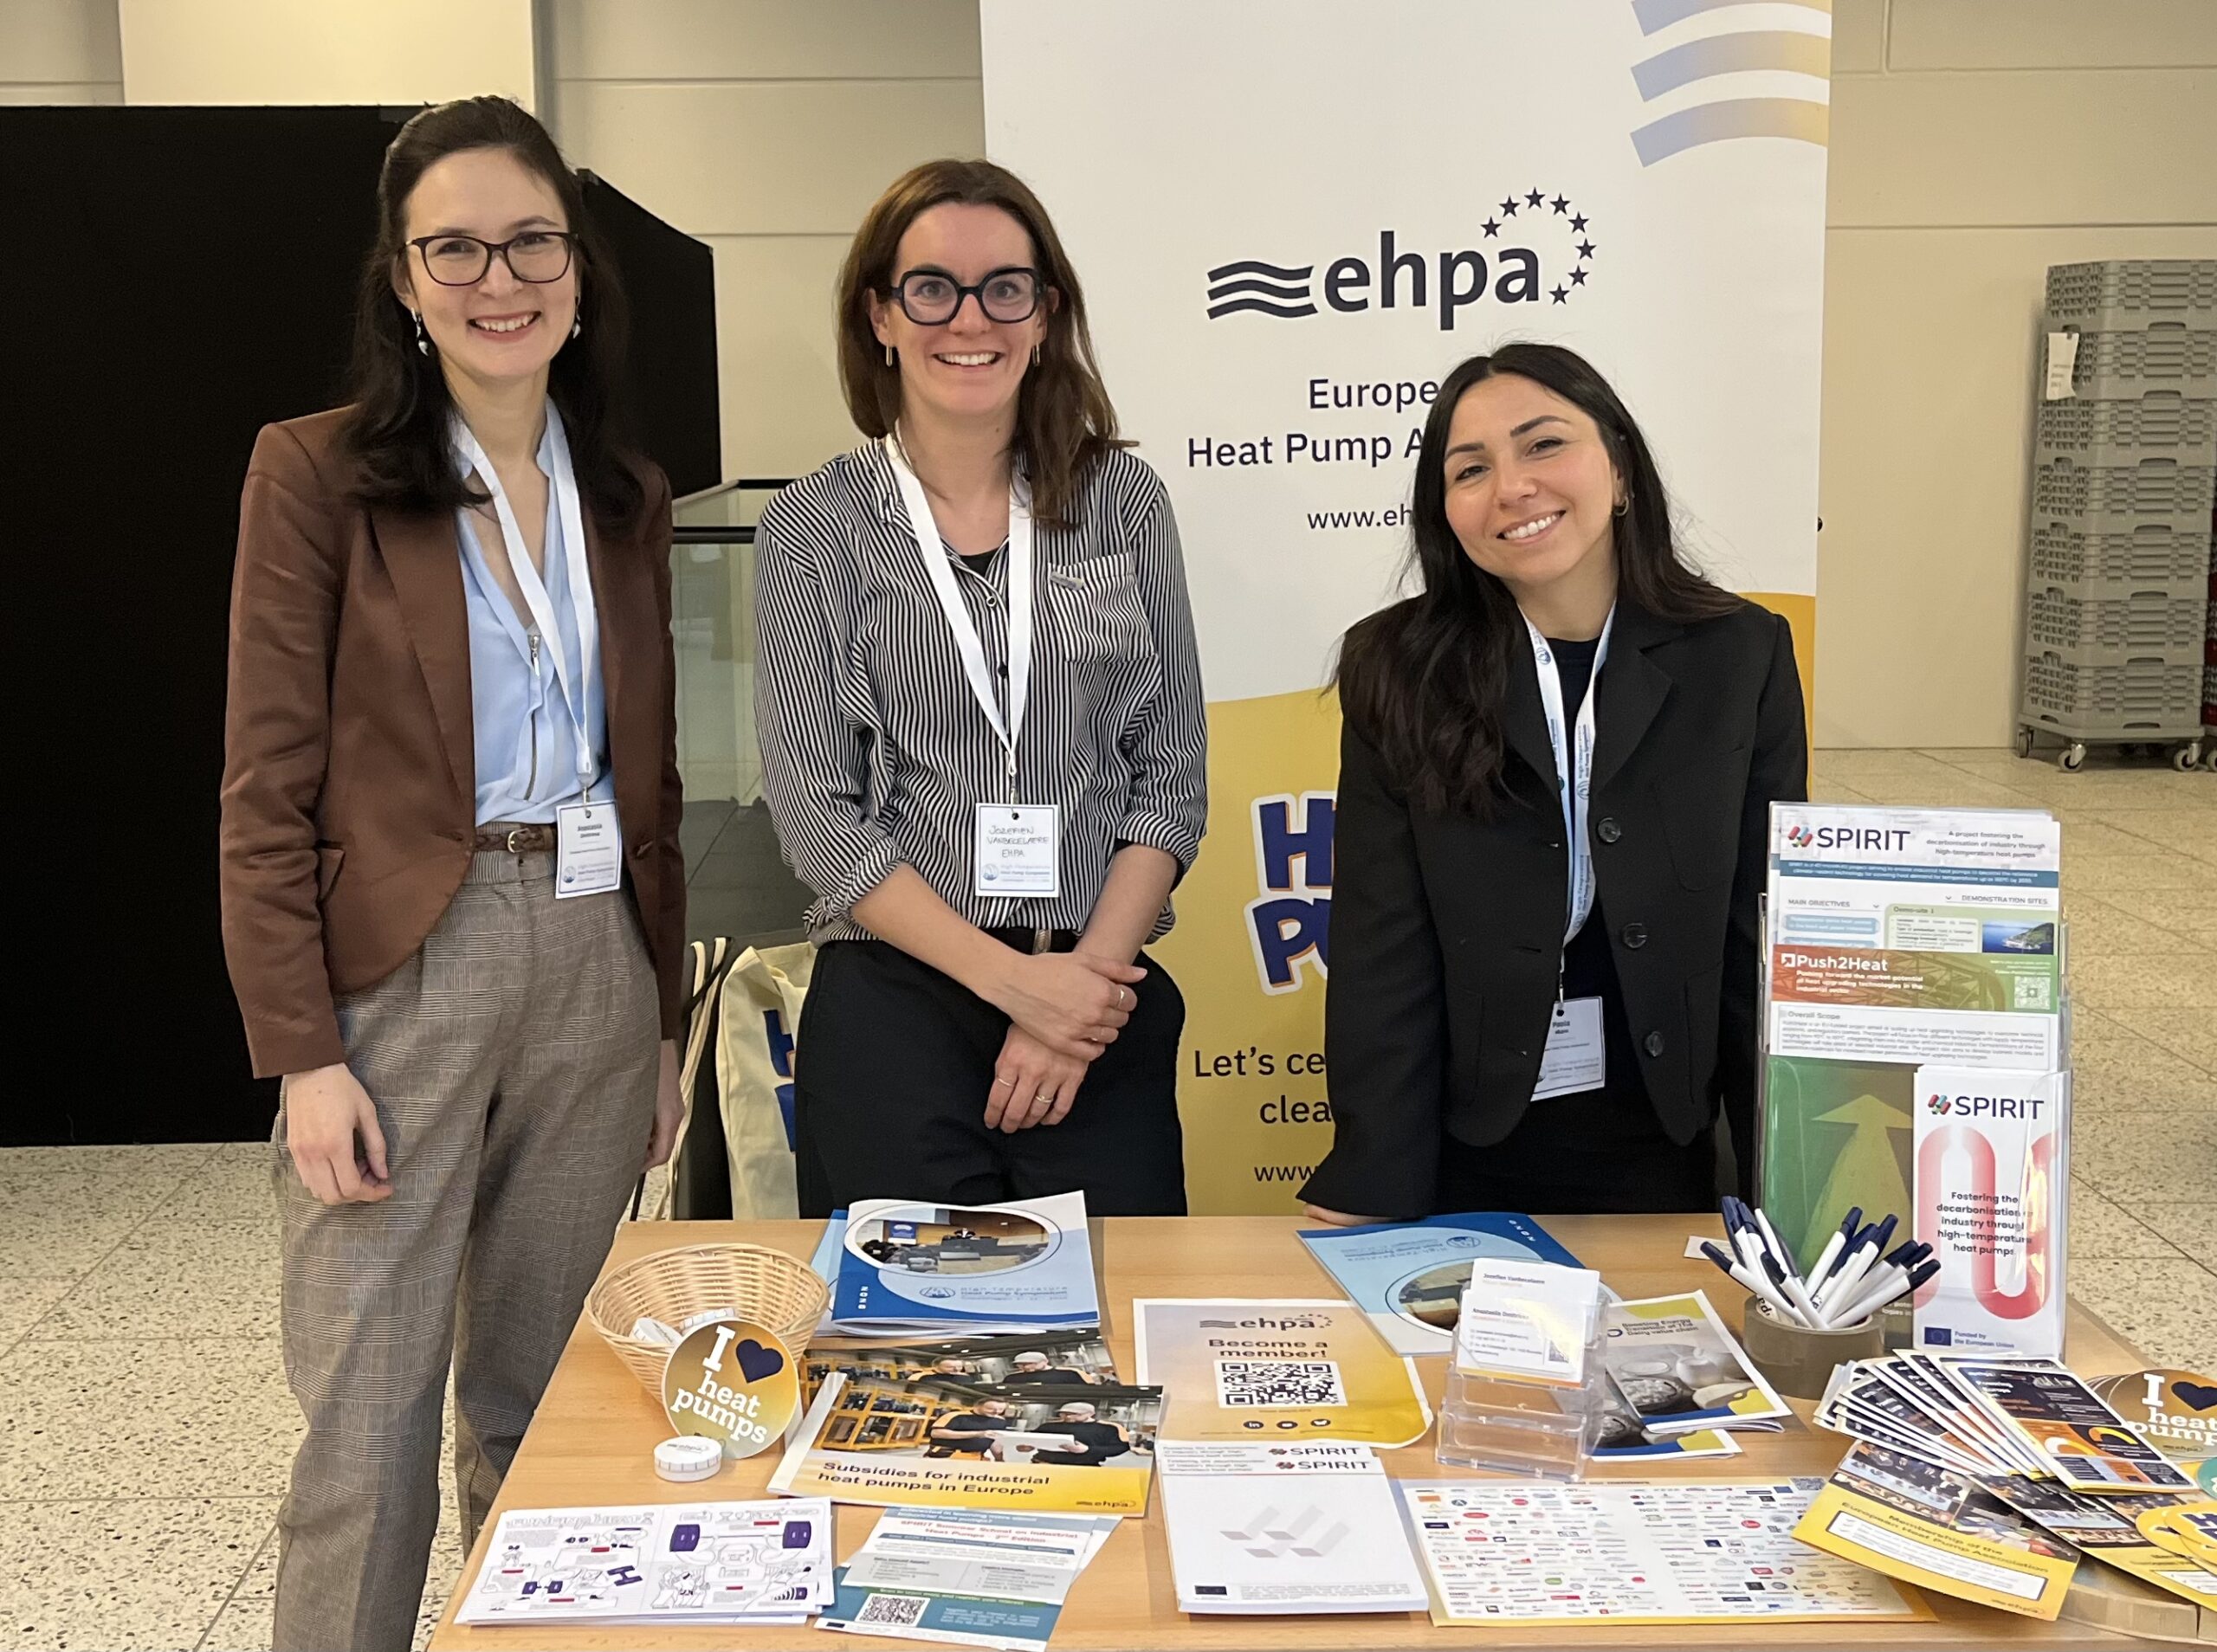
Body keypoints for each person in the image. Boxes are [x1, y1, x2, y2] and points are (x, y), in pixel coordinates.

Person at [218, 96, 686, 1652]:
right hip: (407, 966)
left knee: (546, 1403)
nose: (501, 279)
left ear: (579, 268)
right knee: (367, 1421)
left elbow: (651, 776)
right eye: (457, 249)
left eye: (533, 241)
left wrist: (664, 1021)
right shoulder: (316, 473)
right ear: (405, 280)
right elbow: (264, 786)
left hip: (597, 953)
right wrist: (303, 1055)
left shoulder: (623, 490)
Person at [754, 158, 1207, 1216]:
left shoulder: (1124, 502)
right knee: (915, 1317)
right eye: (932, 289)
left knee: (1115, 1303)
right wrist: (1015, 989)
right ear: (880, 316)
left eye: (1005, 288)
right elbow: (818, 818)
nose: (970, 319)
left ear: (1044, 315)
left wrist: (1074, 998)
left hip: (1095, 990)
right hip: (898, 1000)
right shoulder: (813, 528)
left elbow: (1172, 777)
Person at [1301, 343, 1807, 1224]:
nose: (1512, 487)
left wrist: (1789, 1189)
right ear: (1445, 511)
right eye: (1470, 469)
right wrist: (1372, 1183)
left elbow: (1756, 937)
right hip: (1466, 1145)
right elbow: (1383, 947)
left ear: (1619, 469)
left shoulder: (1739, 656)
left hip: (1665, 1141)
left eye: (1543, 445)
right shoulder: (1397, 666)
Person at [1031, 1400, 1135, 1465]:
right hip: (1044, 1465)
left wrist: (1088, 1449)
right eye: (1064, 1414)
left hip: (1084, 1468)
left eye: (1074, 1414)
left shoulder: (1107, 1429)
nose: (1068, 1417)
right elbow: (1030, 1440)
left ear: (1090, 1414)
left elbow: (1120, 1448)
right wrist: (1027, 1446)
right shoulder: (1048, 1426)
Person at [927, 1396, 1021, 1457]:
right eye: (990, 1409)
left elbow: (996, 1442)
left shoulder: (1000, 1421)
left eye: (1000, 1409)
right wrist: (977, 1434)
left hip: (977, 1457)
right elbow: (936, 1433)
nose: (996, 1412)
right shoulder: (956, 1416)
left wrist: (999, 1459)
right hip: (946, 1455)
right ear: (977, 1406)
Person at [1009, 1350, 1096, 1386]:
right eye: (1021, 1364)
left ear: (1045, 1361)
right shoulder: (1012, 1378)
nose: (1026, 1367)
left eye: (1031, 1363)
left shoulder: (1068, 1374)